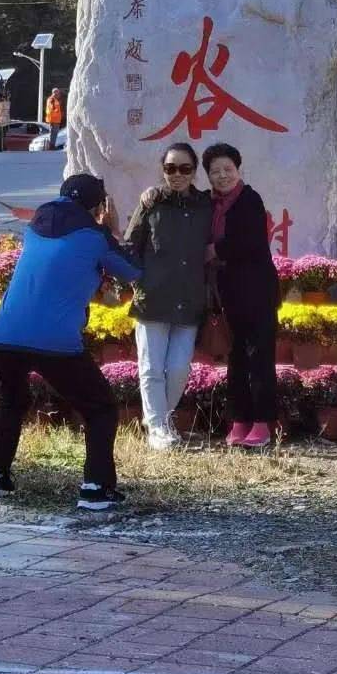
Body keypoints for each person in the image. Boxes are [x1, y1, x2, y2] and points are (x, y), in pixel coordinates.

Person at [0, 173, 142, 511]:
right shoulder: (95, 235)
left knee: (10, 398)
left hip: (4, 334)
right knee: (99, 408)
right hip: (55, 339)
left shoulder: (34, 226)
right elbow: (133, 272)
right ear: (98, 206)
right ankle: (96, 488)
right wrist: (111, 230)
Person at [125, 143, 213, 450]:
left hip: (189, 298)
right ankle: (158, 429)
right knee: (150, 368)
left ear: (194, 171)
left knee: (178, 368)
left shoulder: (205, 205)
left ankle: (162, 420)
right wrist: (138, 282)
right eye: (170, 168)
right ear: (163, 170)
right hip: (153, 298)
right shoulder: (151, 203)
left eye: (185, 169)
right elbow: (130, 246)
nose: (177, 175)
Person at [203, 142, 278, 449]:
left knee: (258, 356)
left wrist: (215, 250)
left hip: (257, 290)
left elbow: (252, 243)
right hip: (228, 291)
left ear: (238, 170)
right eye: (215, 171)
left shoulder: (249, 199)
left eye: (228, 170)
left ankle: (263, 423)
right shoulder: (210, 204)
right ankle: (239, 420)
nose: (222, 176)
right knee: (235, 359)